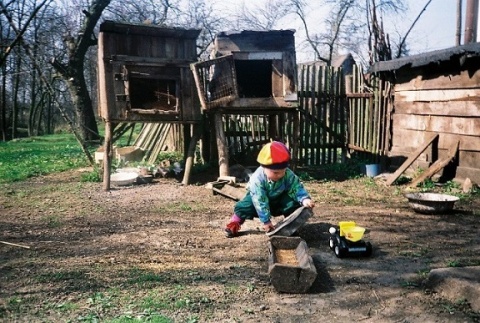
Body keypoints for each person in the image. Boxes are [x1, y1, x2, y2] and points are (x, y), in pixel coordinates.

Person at [224, 141, 315, 238]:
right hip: (258, 202)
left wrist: (304, 199)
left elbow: (296, 186)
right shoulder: (257, 179)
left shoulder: (288, 174)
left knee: (293, 202)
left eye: (282, 171)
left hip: (279, 200)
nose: (279, 175)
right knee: (245, 205)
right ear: (263, 167)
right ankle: (234, 223)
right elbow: (259, 200)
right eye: (275, 173)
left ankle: (292, 226)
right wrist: (266, 221)